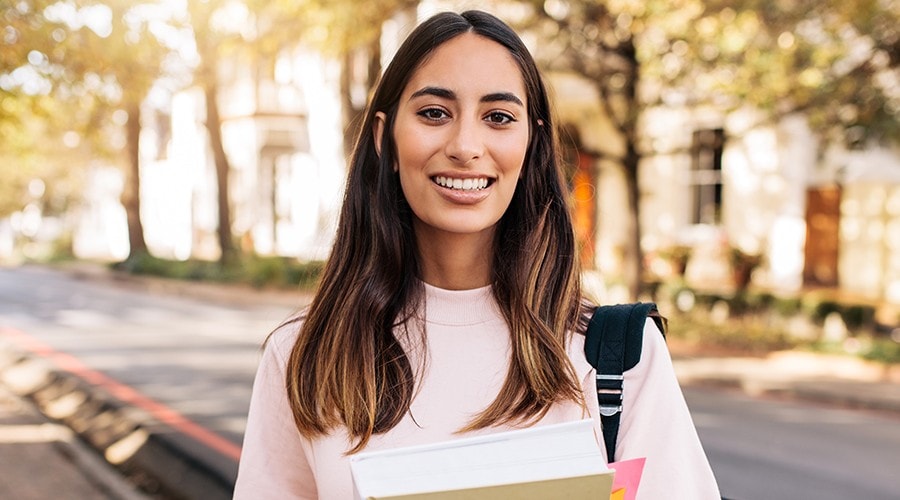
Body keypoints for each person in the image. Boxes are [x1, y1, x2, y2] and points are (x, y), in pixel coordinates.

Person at [234, 9, 720, 499]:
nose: (466, 146)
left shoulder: (616, 357)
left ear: (531, 142)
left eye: (498, 118)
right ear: (385, 139)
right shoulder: (304, 356)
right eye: (434, 113)